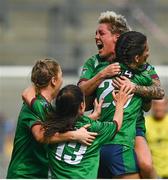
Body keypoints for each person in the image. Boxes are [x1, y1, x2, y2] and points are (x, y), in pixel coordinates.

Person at [78, 11, 164, 178]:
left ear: (116, 37)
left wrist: (135, 88)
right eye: (95, 33)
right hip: (104, 127)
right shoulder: (94, 63)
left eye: (101, 33)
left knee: (146, 165)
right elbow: (80, 94)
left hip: (132, 127)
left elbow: (156, 94)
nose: (96, 37)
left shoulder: (138, 64)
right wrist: (101, 75)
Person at [7, 59, 97, 178]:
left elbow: (62, 125)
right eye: (61, 75)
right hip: (25, 174)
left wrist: (93, 116)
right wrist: (74, 135)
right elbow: (40, 135)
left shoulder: (48, 107)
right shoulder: (31, 107)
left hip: (41, 174)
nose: (62, 81)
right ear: (54, 80)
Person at [43, 84, 132, 179]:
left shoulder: (50, 128)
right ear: (82, 106)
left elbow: (70, 122)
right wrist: (120, 104)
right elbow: (116, 125)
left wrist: (93, 116)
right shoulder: (93, 128)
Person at [146, 98, 168, 178]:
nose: (159, 108)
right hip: (153, 173)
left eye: (162, 105)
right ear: (152, 106)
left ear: (166, 105)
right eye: (156, 105)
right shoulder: (145, 123)